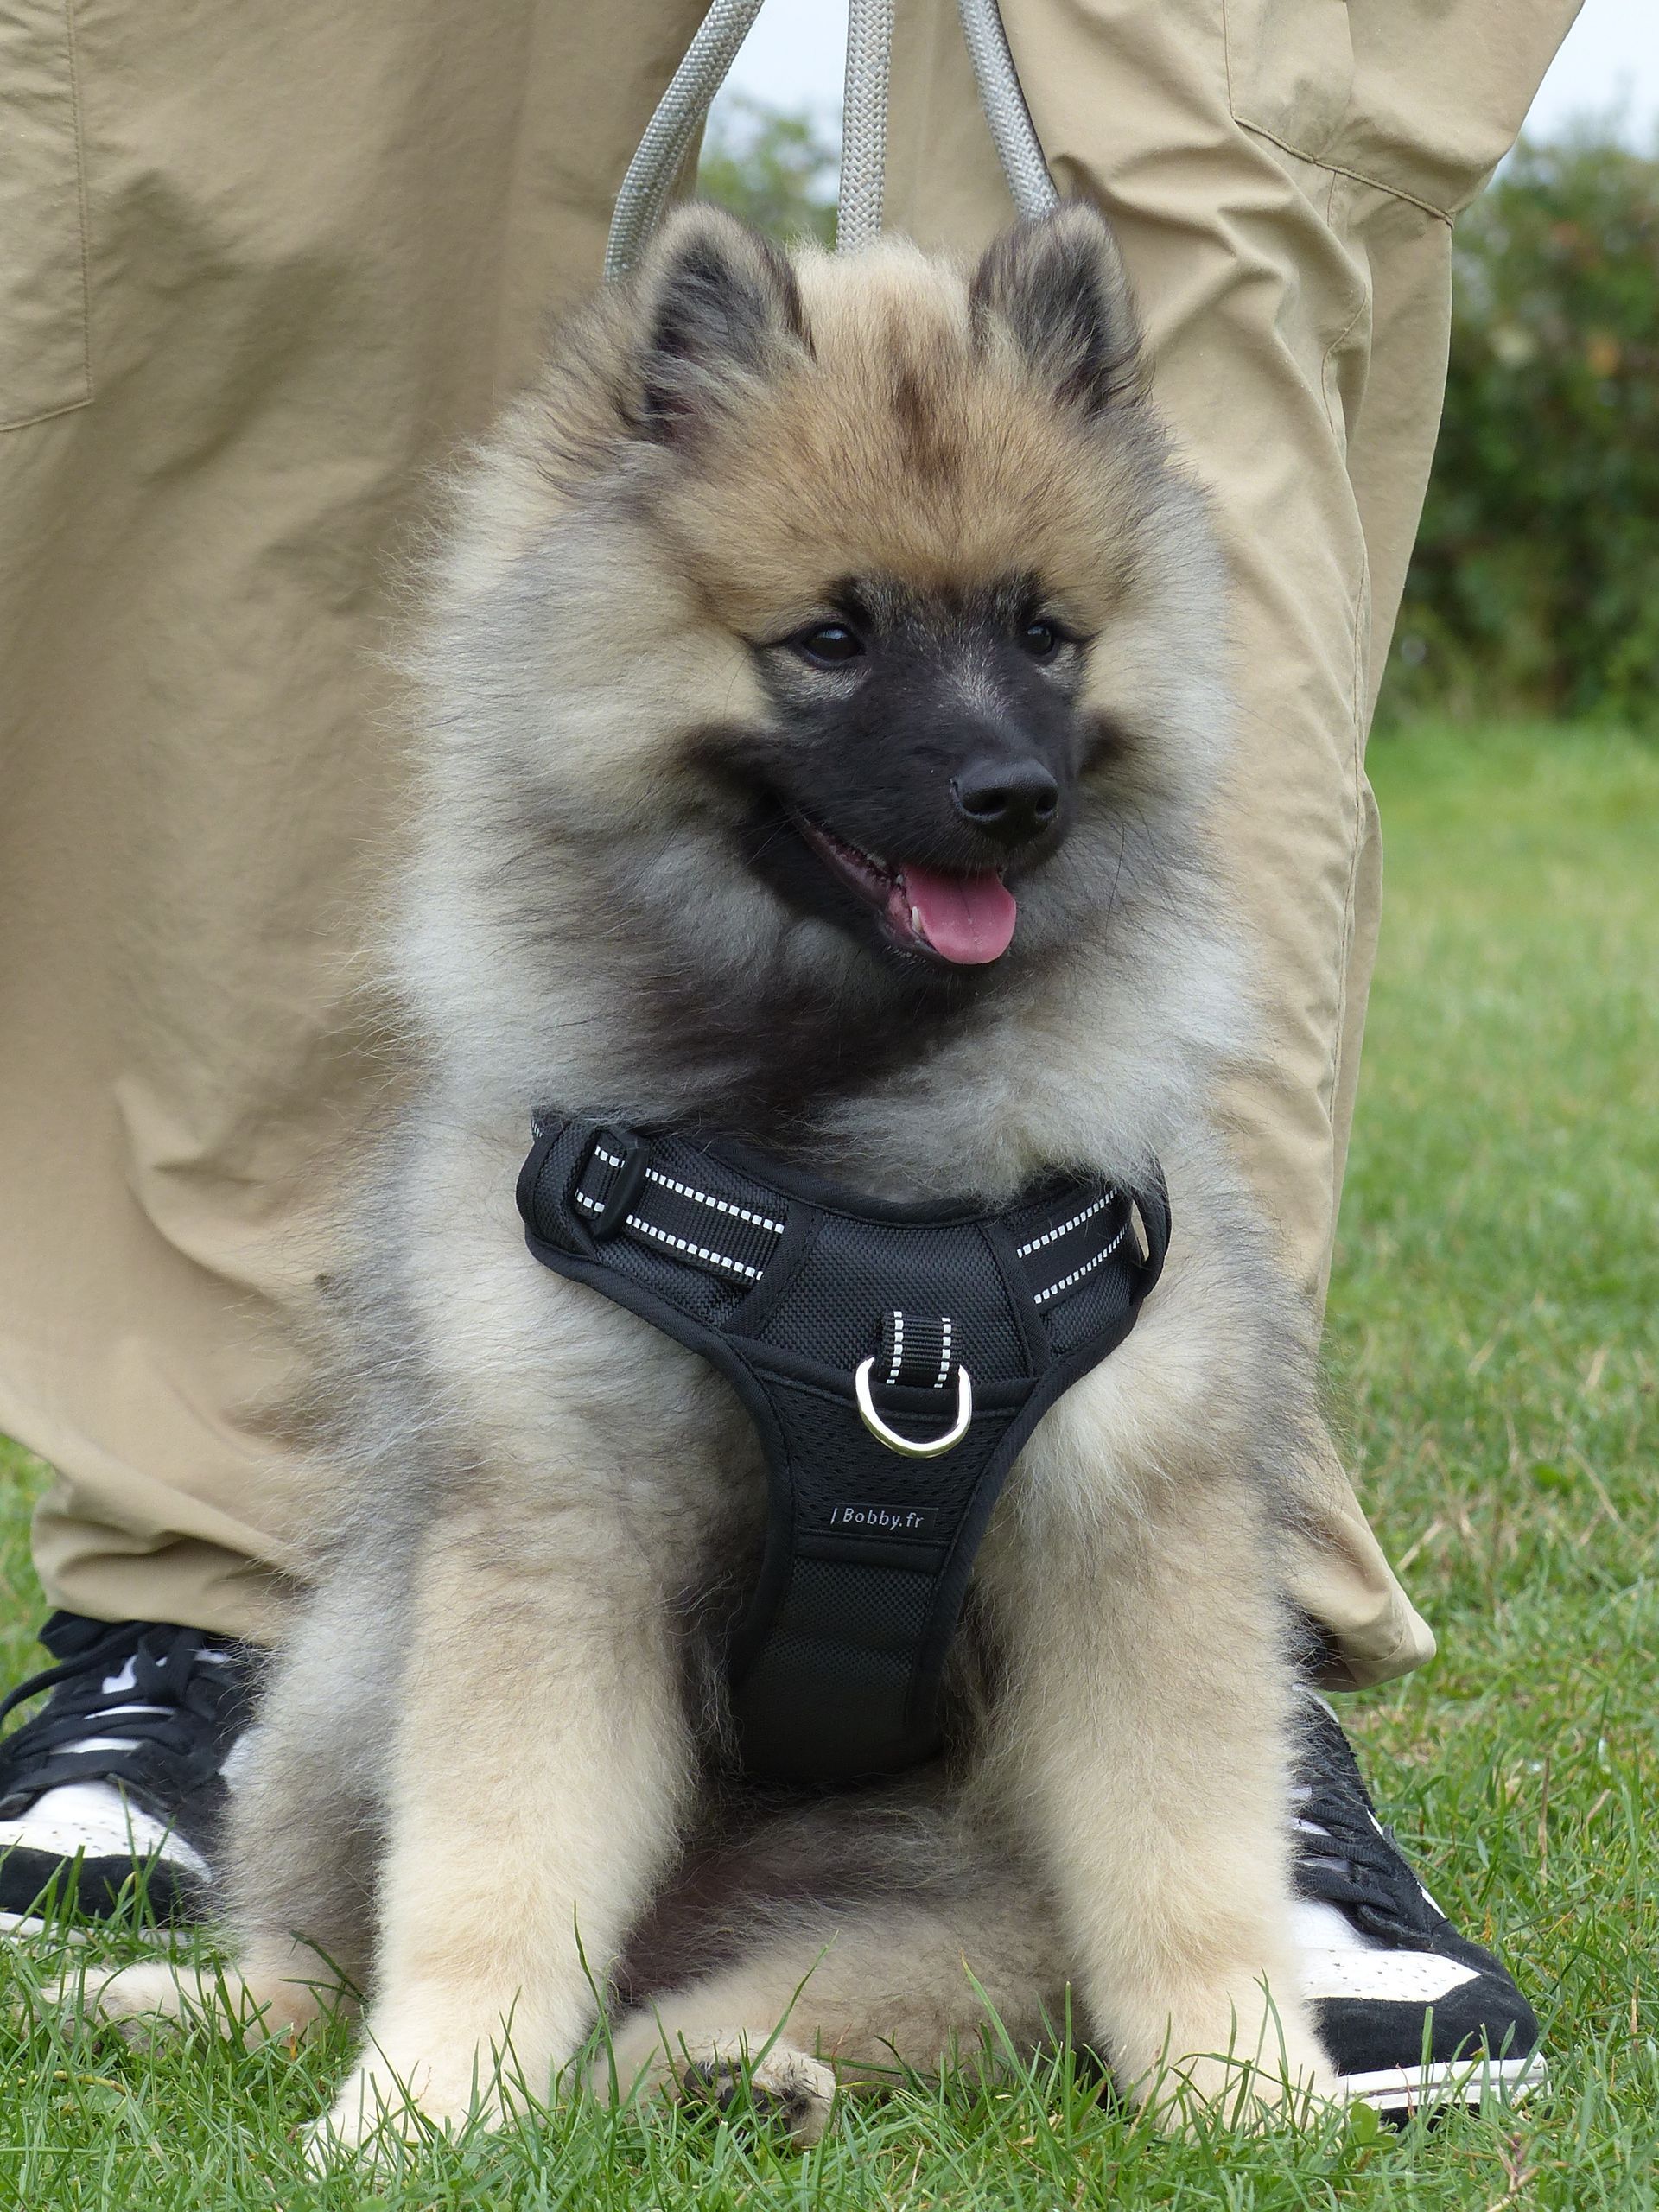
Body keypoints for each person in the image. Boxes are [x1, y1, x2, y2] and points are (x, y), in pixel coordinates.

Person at [0, 0, 1578, 2104]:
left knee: (1237, 136)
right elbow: (541, 1565)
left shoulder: (1089, 1046)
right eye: (834, 642)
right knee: (277, 188)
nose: (994, 751)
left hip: (939, 1767)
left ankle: (1199, 1943)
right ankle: (322, 1924)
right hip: (571, 1474)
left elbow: (1130, 1559)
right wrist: (454, 2049)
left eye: (1040, 634)